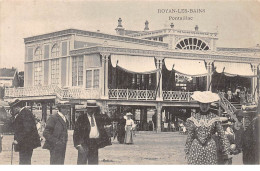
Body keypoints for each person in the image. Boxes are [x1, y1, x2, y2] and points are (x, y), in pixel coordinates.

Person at [185, 91, 230, 165]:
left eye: (206, 104)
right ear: (199, 104)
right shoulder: (193, 118)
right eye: (202, 104)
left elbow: (222, 135)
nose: (204, 106)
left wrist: (226, 150)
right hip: (196, 148)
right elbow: (190, 136)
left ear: (209, 104)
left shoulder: (214, 118)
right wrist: (187, 150)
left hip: (210, 147)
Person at [73, 100, 111, 165]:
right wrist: (78, 145)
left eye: (93, 108)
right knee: (82, 163)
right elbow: (76, 132)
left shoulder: (98, 117)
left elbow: (108, 121)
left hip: (94, 143)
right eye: (89, 108)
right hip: (84, 143)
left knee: (93, 163)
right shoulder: (81, 118)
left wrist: (103, 111)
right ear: (87, 109)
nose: (91, 110)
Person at [9, 99, 41, 164]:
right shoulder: (23, 113)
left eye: (12, 109)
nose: (12, 111)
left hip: (26, 144)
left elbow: (27, 130)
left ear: (16, 107)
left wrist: (18, 140)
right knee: (24, 162)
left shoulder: (25, 113)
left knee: (24, 162)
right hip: (25, 144)